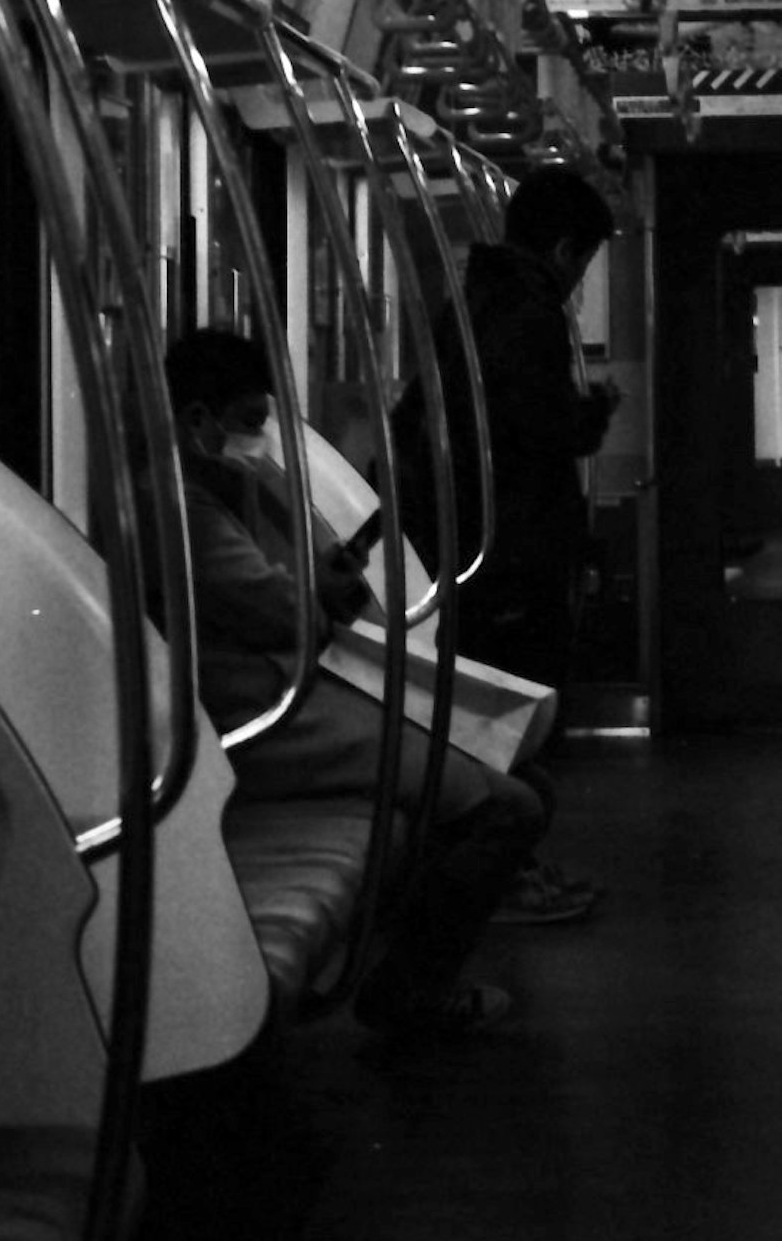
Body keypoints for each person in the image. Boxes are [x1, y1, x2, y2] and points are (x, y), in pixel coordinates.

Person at [166, 323, 554, 1037]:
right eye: (250, 423)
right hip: (262, 721)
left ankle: (412, 973)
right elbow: (285, 609)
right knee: (509, 808)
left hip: (289, 697)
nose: (260, 441)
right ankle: (409, 991)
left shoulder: (215, 490)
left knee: (506, 773)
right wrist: (328, 594)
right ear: (199, 422)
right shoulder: (183, 507)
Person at [441, 167, 620, 922]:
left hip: (482, 543)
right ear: (562, 247)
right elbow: (537, 429)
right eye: (581, 260)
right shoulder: (530, 311)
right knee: (515, 720)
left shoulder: (473, 297)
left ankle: (507, 864)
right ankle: (505, 871)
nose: (579, 278)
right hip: (515, 550)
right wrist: (591, 415)